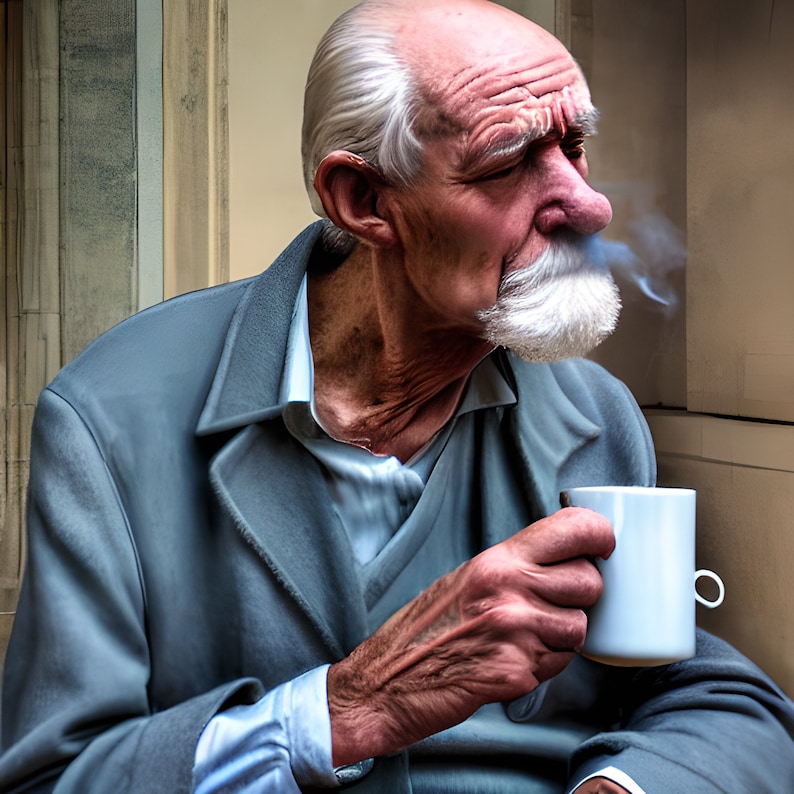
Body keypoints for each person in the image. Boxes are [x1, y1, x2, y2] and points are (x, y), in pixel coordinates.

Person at [1, 1, 793, 791]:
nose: (590, 205)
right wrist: (351, 709)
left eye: (574, 145)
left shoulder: (594, 415)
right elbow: (53, 777)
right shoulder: (110, 418)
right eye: (509, 160)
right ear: (364, 200)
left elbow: (711, 702)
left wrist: (620, 787)